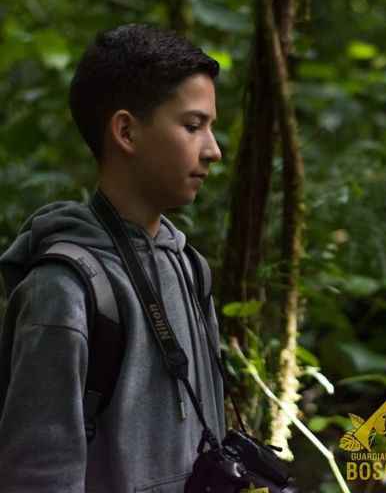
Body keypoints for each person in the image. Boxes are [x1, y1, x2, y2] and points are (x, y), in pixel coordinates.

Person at [0, 24, 225, 491]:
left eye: (211, 127)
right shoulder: (63, 289)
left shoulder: (189, 267)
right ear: (125, 131)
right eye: (192, 125)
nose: (213, 150)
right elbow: (38, 476)